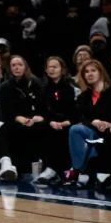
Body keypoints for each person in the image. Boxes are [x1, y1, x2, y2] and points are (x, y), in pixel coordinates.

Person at [68, 60, 111, 191]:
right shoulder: (83, 97)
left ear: (101, 73)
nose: (89, 74)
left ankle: (84, 171)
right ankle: (80, 170)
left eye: (93, 71)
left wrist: (110, 123)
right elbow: (81, 117)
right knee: (75, 129)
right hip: (92, 132)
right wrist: (94, 122)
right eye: (86, 72)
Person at [0, 55, 48, 183]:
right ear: (10, 68)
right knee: (4, 129)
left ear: (25, 67)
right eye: (13, 65)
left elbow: (44, 107)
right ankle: (7, 165)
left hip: (35, 120)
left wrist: (39, 117)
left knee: (44, 127)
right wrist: (20, 119)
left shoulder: (36, 84)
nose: (17, 67)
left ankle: (46, 168)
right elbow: (6, 111)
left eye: (19, 64)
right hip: (15, 120)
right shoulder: (5, 87)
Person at [39, 57, 80, 186]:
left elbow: (74, 113)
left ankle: (62, 169)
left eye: (55, 67)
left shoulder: (70, 89)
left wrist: (64, 123)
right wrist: (51, 122)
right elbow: (43, 110)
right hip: (51, 122)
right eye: (49, 67)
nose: (51, 70)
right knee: (46, 129)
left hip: (67, 122)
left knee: (66, 131)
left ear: (62, 69)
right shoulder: (43, 89)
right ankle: (52, 168)